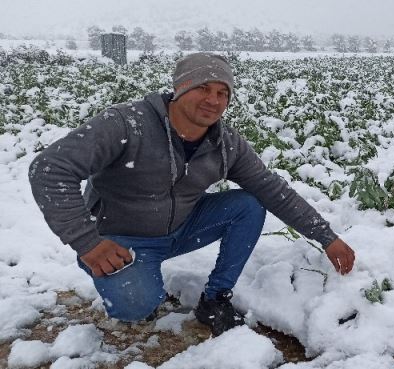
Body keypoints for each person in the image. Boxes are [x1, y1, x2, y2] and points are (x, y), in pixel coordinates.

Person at [28, 52, 356, 336]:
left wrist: (327, 237)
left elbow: (272, 189)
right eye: (203, 88)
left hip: (181, 228)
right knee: (135, 307)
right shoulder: (127, 124)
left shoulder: (225, 143)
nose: (213, 100)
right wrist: (88, 243)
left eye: (222, 93)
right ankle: (134, 280)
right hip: (121, 242)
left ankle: (215, 299)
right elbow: (49, 169)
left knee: (249, 204)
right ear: (180, 88)